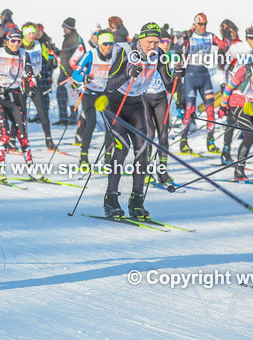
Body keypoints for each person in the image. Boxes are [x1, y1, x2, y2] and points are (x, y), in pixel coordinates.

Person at [99, 23, 178, 219]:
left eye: (156, 42)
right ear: (141, 39)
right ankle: (111, 199)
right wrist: (127, 74)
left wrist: (178, 76)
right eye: (149, 41)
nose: (153, 46)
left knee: (143, 150)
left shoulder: (159, 55)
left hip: (135, 104)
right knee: (122, 147)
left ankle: (137, 201)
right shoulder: (126, 52)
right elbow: (110, 85)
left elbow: (170, 86)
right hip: (113, 104)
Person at [0, 26, 37, 181]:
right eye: (13, 41)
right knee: (5, 134)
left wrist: (31, 87)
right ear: (7, 41)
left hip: (14, 97)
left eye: (18, 41)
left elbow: (30, 75)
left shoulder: (24, 55)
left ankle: (32, 170)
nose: (16, 44)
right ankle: (0, 170)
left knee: (23, 135)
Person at [219, 49, 253, 182]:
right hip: (238, 104)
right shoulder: (244, 71)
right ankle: (239, 170)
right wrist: (223, 106)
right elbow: (228, 88)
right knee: (249, 135)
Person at [178, 12, 227, 154]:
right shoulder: (190, 36)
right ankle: (183, 141)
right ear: (195, 24)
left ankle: (210, 142)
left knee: (211, 110)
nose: (203, 27)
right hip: (190, 75)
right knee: (190, 110)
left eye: (205, 24)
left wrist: (226, 35)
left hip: (204, 75)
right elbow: (177, 47)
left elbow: (224, 45)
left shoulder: (210, 36)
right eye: (200, 24)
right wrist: (185, 36)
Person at [70, 29, 117, 171]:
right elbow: (75, 75)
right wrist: (84, 78)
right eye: (106, 44)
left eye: (111, 44)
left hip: (105, 94)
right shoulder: (90, 55)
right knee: (90, 123)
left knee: (110, 126)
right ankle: (84, 158)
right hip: (89, 92)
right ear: (100, 44)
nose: (109, 47)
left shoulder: (115, 56)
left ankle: (107, 159)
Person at [144, 27, 180, 188]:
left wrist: (178, 76)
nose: (166, 44)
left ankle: (162, 171)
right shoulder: (150, 54)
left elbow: (172, 84)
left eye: (168, 41)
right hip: (145, 97)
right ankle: (145, 171)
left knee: (163, 136)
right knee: (149, 134)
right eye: (162, 41)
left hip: (160, 98)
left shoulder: (170, 56)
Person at [19, 23, 55, 149]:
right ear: (24, 34)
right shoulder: (19, 46)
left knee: (42, 111)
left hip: (34, 81)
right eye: (29, 33)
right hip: (21, 82)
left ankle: (49, 139)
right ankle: (14, 140)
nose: (32, 35)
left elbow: (50, 63)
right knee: (20, 113)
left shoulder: (39, 45)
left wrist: (50, 53)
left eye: (34, 33)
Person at [56, 17, 83, 125]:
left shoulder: (76, 38)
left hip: (71, 73)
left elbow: (79, 55)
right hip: (63, 72)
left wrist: (75, 73)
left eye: (64, 27)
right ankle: (63, 118)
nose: (63, 29)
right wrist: (55, 51)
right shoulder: (67, 38)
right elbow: (65, 54)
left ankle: (73, 118)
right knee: (61, 95)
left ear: (68, 27)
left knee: (72, 96)